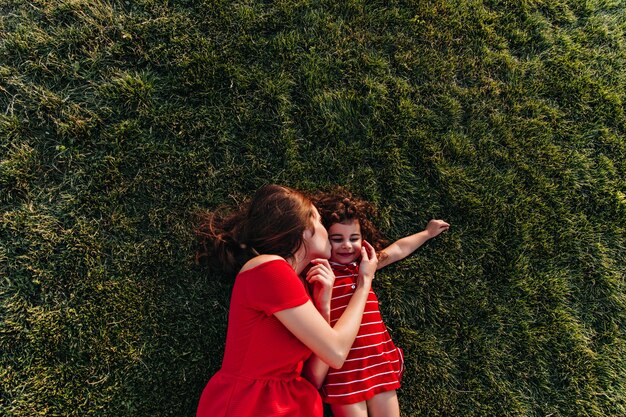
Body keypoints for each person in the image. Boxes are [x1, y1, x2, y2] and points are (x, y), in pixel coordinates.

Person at [195, 184, 378, 417]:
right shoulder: (268, 268)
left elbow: (314, 376)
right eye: (320, 221)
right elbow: (336, 352)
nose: (326, 231)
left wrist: (324, 306)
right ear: (304, 228)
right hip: (250, 404)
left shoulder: (301, 284)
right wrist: (364, 283)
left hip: (292, 403)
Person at [313, 189, 450, 417]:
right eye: (337, 239)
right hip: (341, 370)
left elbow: (397, 250)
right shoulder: (318, 272)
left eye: (354, 238)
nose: (347, 245)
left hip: (376, 361)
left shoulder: (362, 266)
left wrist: (426, 233)